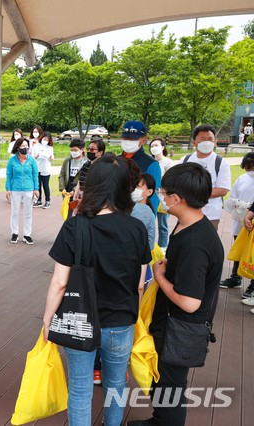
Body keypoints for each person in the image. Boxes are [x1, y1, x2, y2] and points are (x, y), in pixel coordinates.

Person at [43, 154, 150, 426]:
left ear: (92, 185)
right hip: (121, 322)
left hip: (80, 321)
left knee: (80, 387)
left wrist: (47, 320)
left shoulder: (76, 225)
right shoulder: (136, 228)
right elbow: (139, 284)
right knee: (115, 385)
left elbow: (60, 282)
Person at [127, 163, 223, 426]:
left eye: (164, 192)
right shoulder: (188, 225)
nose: (161, 196)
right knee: (165, 381)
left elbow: (190, 303)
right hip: (170, 322)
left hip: (180, 327)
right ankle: (159, 418)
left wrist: (158, 277)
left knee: (172, 386)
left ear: (178, 199)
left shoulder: (196, 244)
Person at [181, 124, 231, 232]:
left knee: (206, 245)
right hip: (186, 212)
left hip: (210, 215)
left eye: (210, 139)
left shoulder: (221, 162)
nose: (207, 142)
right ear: (194, 142)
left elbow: (222, 190)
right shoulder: (185, 160)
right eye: (203, 139)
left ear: (215, 141)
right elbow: (178, 184)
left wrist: (194, 193)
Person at [223, 153, 254, 298]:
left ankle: (253, 285)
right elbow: (233, 197)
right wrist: (239, 204)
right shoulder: (242, 178)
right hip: (241, 219)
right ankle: (236, 277)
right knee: (239, 248)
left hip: (251, 220)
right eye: (249, 165)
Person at [120, 121, 161, 215]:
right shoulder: (116, 160)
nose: (127, 142)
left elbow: (154, 196)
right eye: (125, 138)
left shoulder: (151, 164)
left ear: (143, 140)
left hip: (138, 214)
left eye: (132, 139)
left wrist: (149, 218)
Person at [5, 137, 39, 245]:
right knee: (15, 212)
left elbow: (35, 175)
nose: (25, 148)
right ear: (18, 147)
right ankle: (14, 233)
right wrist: (8, 189)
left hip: (29, 189)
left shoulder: (32, 160)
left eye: (26, 145)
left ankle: (27, 234)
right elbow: (9, 175)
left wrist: (36, 188)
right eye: (23, 145)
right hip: (16, 189)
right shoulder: (12, 161)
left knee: (28, 213)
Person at [150, 138, 174, 249]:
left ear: (163, 147)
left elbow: (171, 181)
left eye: (156, 145)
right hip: (150, 196)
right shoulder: (150, 162)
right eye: (152, 146)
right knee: (149, 223)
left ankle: (162, 248)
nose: (154, 148)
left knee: (162, 225)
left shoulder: (168, 163)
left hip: (163, 198)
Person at [58, 138, 86, 217]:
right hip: (67, 192)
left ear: (82, 150)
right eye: (71, 150)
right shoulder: (67, 161)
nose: (73, 152)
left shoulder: (86, 162)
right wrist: (62, 188)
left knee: (78, 213)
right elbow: (62, 175)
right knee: (67, 213)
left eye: (75, 150)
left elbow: (84, 179)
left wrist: (75, 191)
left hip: (78, 193)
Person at [31, 131, 54, 209]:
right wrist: (37, 156)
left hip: (46, 168)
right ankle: (39, 200)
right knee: (38, 185)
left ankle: (47, 201)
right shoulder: (36, 145)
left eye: (47, 140)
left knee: (45, 185)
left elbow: (51, 157)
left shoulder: (50, 148)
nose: (45, 141)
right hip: (37, 168)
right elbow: (32, 156)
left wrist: (51, 157)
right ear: (41, 138)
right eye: (44, 139)